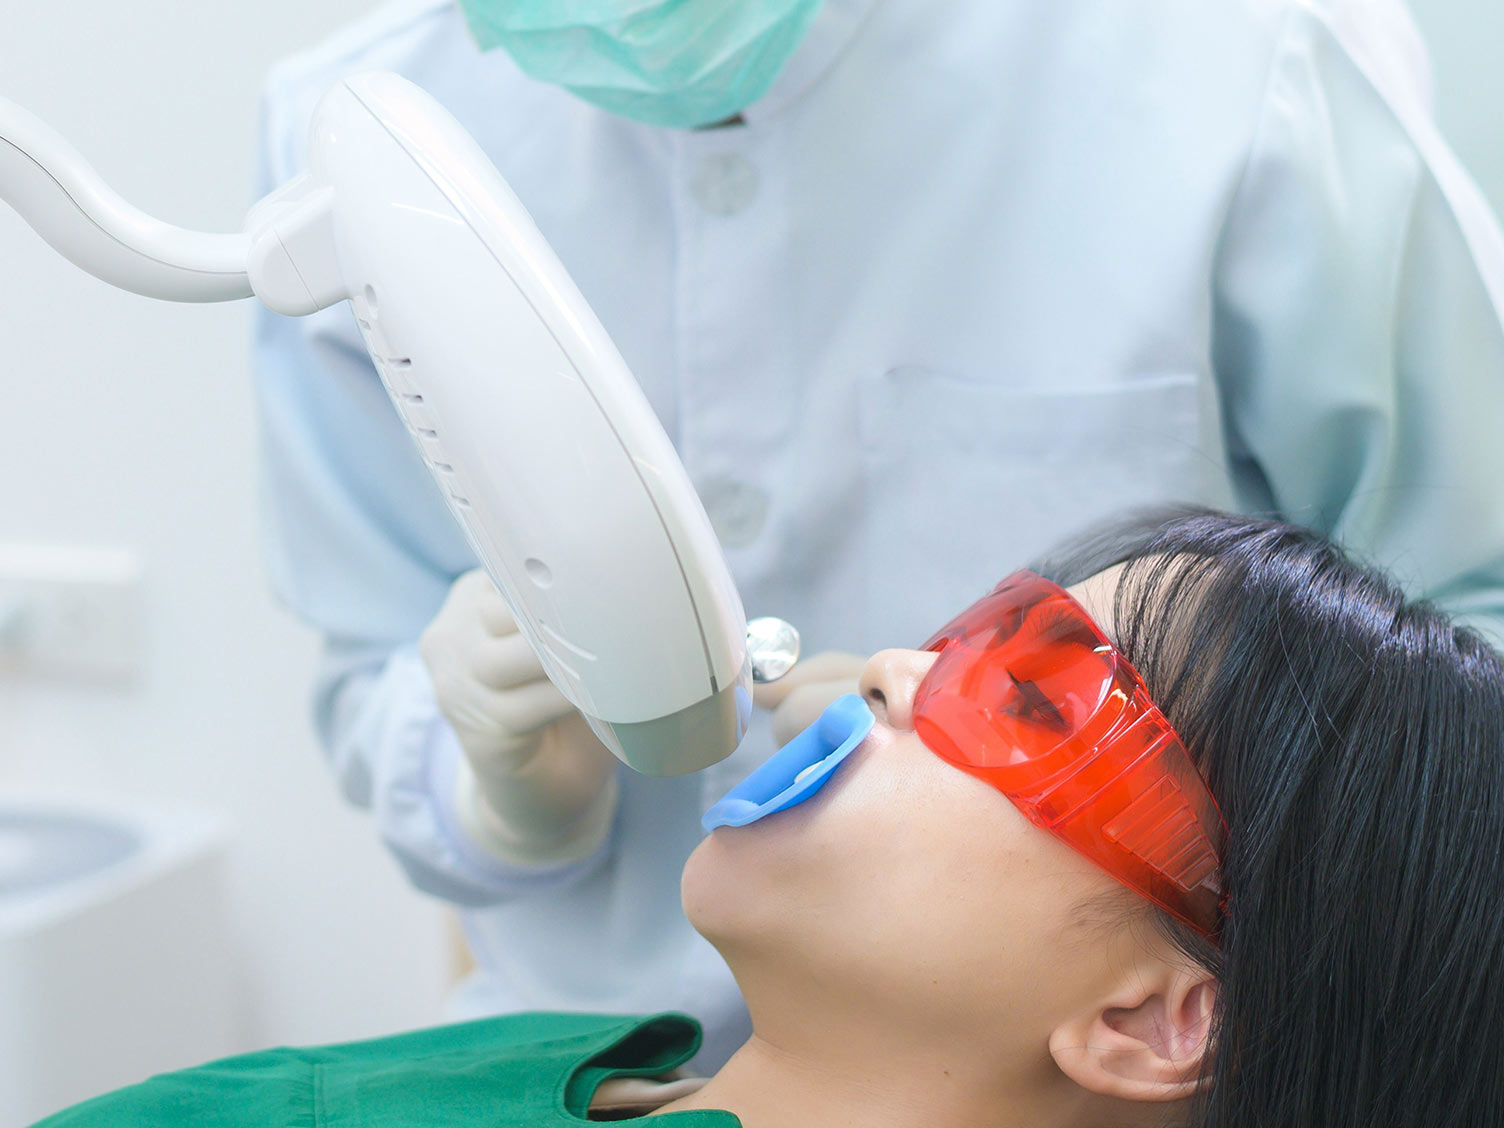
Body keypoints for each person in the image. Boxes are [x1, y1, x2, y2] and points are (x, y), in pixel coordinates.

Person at [253, 0, 1504, 1066]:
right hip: (584, 1041)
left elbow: (1465, 665)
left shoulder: (1234, 62)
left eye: (1029, 658)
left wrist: (1151, 821)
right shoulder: (357, 141)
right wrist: (500, 792)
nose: (913, 667)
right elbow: (369, 646)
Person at [35, 509, 1504, 1126]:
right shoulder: (581, 1067)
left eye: (1038, 703)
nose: (908, 668)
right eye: (989, 629)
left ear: (1152, 1021)